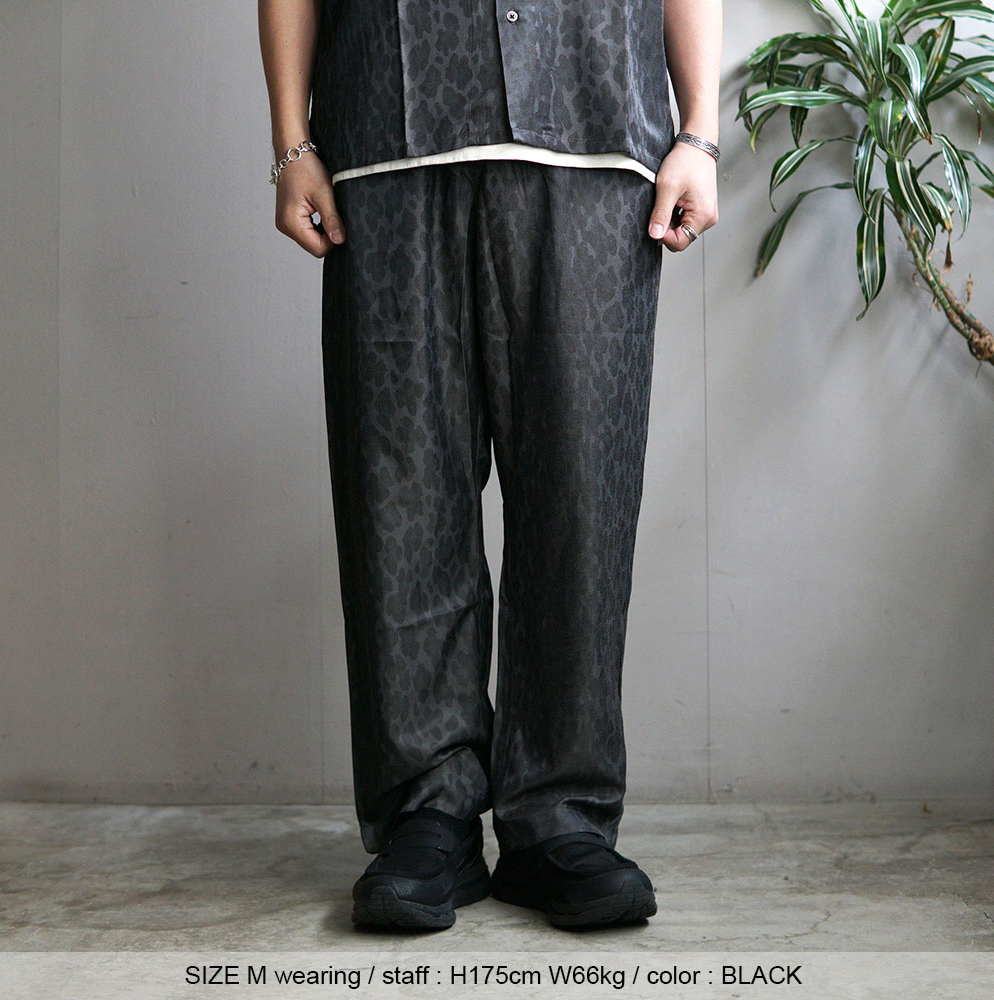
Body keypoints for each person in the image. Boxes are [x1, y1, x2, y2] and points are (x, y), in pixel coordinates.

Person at [258, 0, 721, 930]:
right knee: (399, 496)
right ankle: (427, 812)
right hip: (390, 147)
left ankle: (560, 816)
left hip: (595, 142)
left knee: (582, 500)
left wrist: (699, 134)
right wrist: (291, 142)